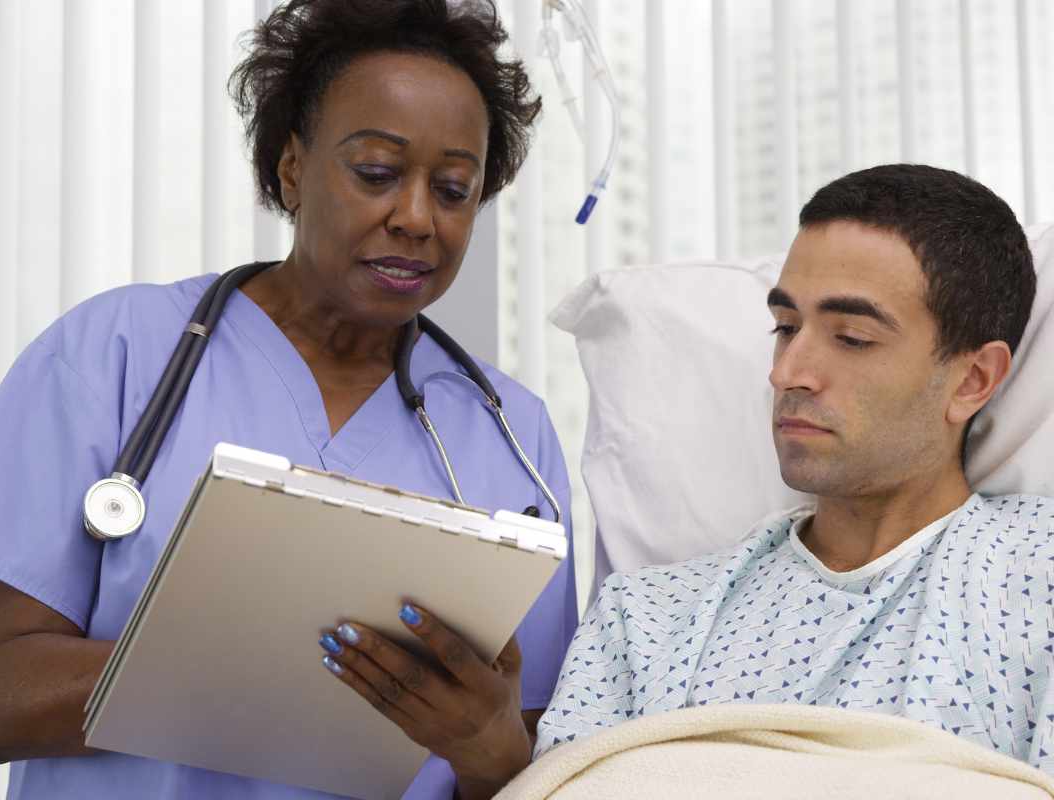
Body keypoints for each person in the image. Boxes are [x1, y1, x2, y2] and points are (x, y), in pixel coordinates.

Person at [0, 1, 577, 797]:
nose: (416, 218)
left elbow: (538, 762)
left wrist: (488, 748)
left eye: (455, 188)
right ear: (291, 168)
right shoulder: (113, 356)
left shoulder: (510, 436)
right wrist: (262, 671)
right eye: (376, 174)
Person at [352, 163, 1042, 794]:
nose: (787, 373)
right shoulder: (647, 617)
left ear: (972, 379)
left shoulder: (1034, 581)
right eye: (784, 326)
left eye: (852, 338)